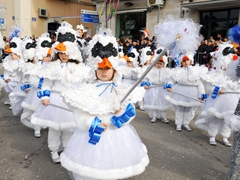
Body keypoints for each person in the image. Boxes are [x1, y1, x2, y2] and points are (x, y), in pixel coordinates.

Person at [59, 28, 149, 180]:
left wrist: (121, 114)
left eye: (108, 68)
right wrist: (91, 122)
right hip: (93, 135)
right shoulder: (86, 90)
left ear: (114, 70)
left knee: (112, 169)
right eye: (100, 68)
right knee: (89, 171)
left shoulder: (122, 90)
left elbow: (130, 112)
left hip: (116, 136)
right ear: (94, 69)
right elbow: (79, 114)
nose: (104, 72)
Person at [31, 21, 89, 163]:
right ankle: (54, 149)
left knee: (69, 129)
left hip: (70, 102)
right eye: (61, 52)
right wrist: (45, 96)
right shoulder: (52, 66)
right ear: (57, 51)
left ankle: (67, 148)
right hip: (55, 102)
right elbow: (46, 84)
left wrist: (82, 100)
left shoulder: (79, 67)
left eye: (66, 52)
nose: (64, 55)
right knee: (55, 129)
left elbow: (82, 85)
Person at [165, 53, 207, 132]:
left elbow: (200, 84)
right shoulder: (178, 71)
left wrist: (201, 94)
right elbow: (172, 80)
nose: (186, 62)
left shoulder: (196, 71)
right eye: (184, 61)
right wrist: (169, 86)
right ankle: (178, 123)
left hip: (192, 92)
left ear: (191, 61)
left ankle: (186, 123)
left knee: (189, 109)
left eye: (187, 60)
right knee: (180, 109)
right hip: (180, 90)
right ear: (181, 62)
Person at [21, 33, 52, 138]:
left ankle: (45, 125)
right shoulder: (37, 67)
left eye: (49, 56)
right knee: (37, 111)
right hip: (37, 93)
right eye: (46, 56)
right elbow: (32, 79)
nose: (48, 58)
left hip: (49, 92)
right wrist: (41, 84)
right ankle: (36, 128)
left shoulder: (53, 66)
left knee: (47, 111)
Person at [142, 54, 172, 123]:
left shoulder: (166, 71)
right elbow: (146, 78)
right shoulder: (151, 70)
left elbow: (170, 80)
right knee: (154, 102)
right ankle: (154, 116)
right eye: (157, 63)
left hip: (162, 89)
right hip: (153, 89)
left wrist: (169, 86)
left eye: (161, 63)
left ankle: (163, 116)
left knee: (162, 102)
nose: (159, 65)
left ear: (163, 64)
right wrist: (146, 84)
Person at [2, 37, 24, 108]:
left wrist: (19, 80)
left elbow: (21, 73)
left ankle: (15, 102)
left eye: (13, 55)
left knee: (17, 92)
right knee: (10, 89)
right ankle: (11, 100)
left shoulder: (21, 62)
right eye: (11, 55)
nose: (11, 56)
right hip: (10, 79)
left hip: (17, 80)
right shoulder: (8, 60)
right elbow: (6, 70)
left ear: (18, 54)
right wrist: (6, 77)